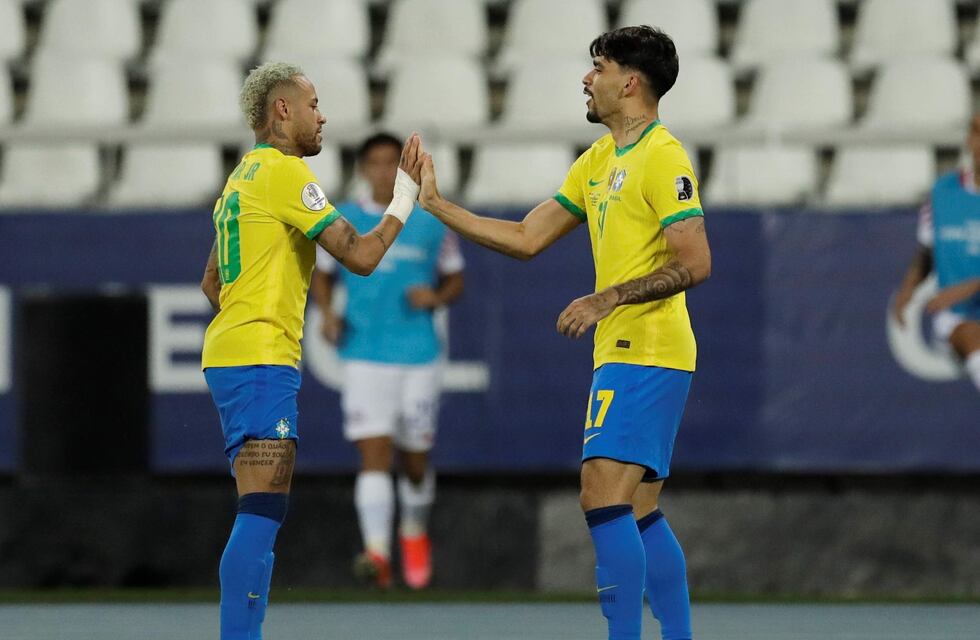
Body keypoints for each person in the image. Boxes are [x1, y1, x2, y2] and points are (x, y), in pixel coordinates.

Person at [418, 26, 710, 640]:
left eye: (597, 66)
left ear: (629, 82)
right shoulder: (598, 161)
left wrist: (612, 295)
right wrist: (439, 205)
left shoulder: (663, 156)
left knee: (600, 494)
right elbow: (527, 238)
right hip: (628, 353)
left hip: (649, 350)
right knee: (638, 508)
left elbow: (696, 261)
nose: (586, 77)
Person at [199, 62, 425, 640]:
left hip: (237, 357)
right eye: (313, 104)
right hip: (259, 360)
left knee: (262, 507)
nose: (322, 116)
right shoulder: (281, 171)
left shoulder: (241, 177)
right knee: (262, 507)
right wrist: (404, 197)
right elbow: (363, 256)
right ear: (282, 110)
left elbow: (211, 285)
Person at [310, 132, 465, 589]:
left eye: (390, 163)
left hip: (418, 355)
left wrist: (435, 296)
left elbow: (456, 281)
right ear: (362, 168)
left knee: (415, 458)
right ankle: (377, 554)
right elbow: (322, 276)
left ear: (403, 170)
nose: (382, 171)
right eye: (374, 163)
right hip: (363, 354)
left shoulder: (431, 220)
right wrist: (327, 315)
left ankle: (413, 531)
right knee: (373, 453)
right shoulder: (345, 219)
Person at [893, 114, 980, 392]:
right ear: (969, 140)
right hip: (958, 317)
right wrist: (907, 289)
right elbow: (927, 251)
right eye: (977, 132)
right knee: (972, 337)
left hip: (961, 296)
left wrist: (970, 285)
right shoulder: (943, 192)